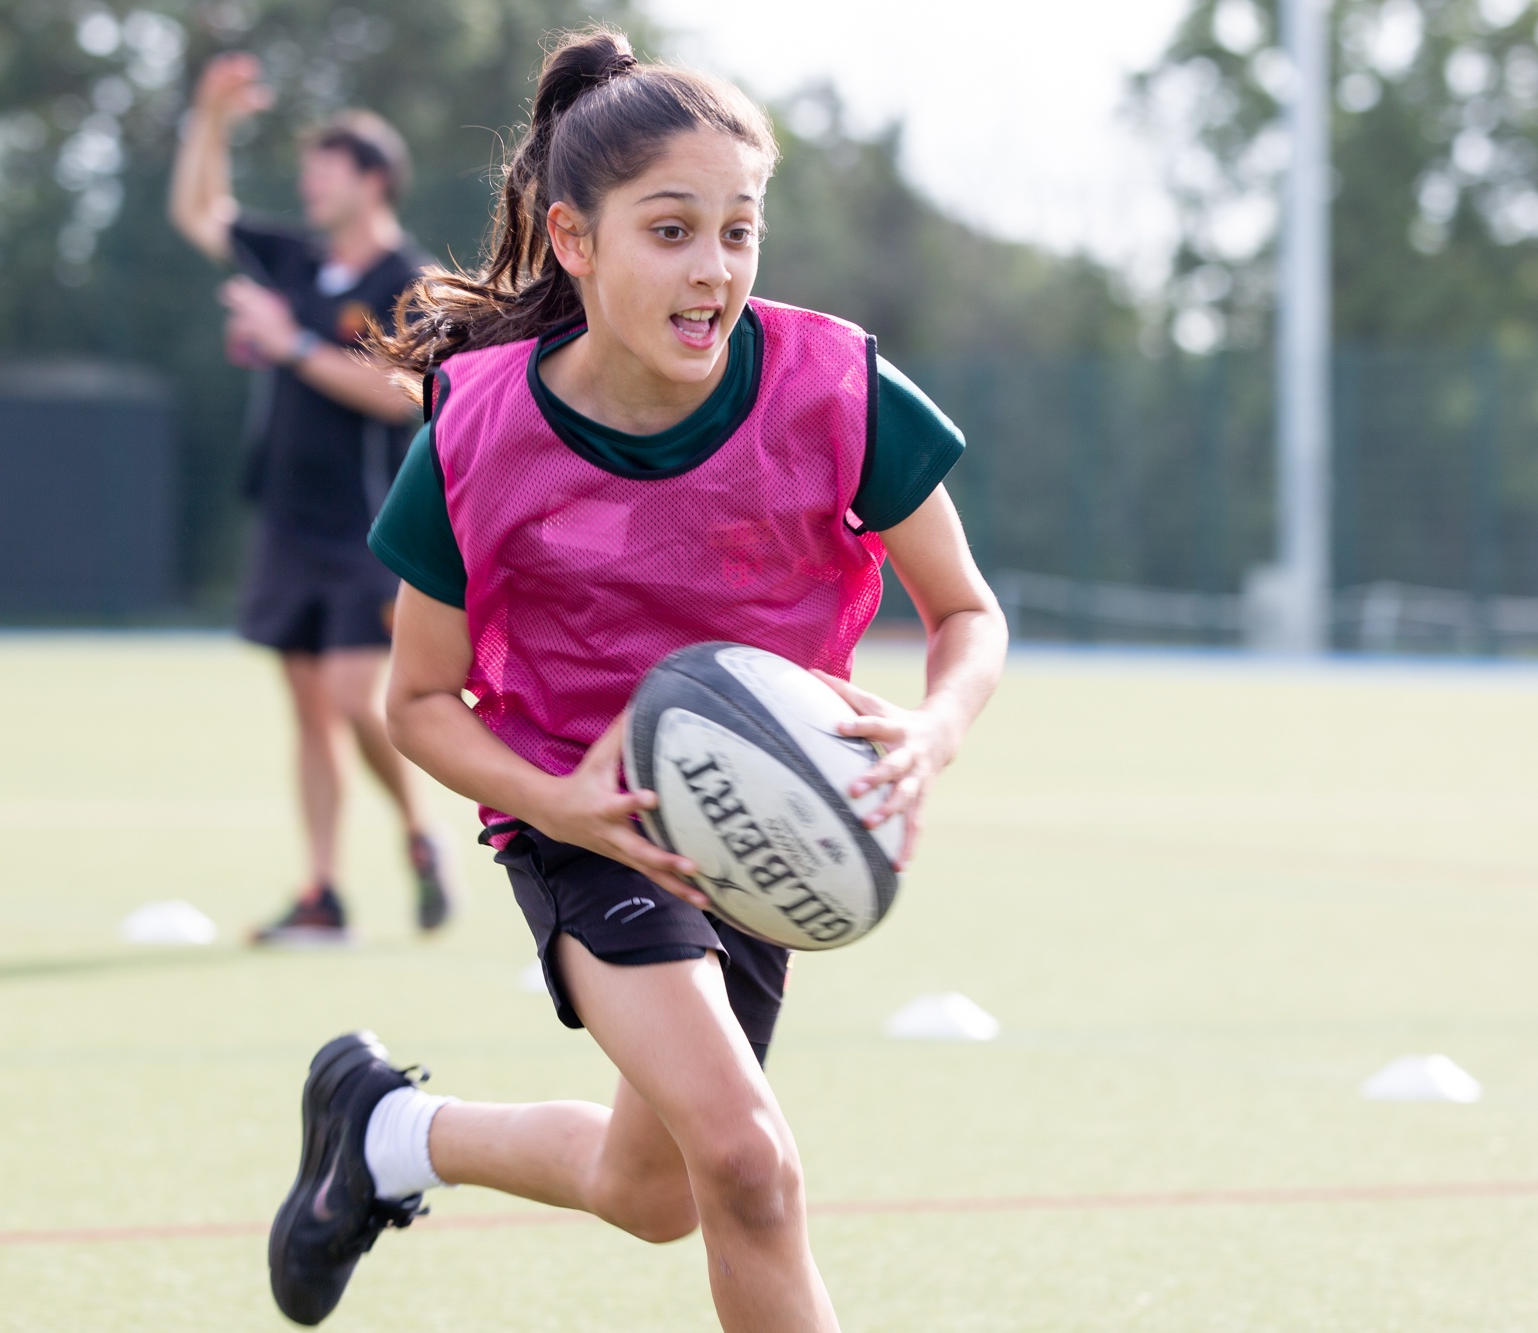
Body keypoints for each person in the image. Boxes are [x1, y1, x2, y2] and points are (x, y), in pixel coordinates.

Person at [263, 28, 1008, 1331]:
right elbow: (418, 703)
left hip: (757, 813)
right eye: (672, 231)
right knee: (749, 1164)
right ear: (573, 238)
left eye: (740, 229)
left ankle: (386, 1134)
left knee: (656, 1188)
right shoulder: (477, 432)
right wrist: (553, 809)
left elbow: (967, 612)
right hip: (582, 814)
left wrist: (935, 726)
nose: (713, 268)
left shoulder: (835, 384)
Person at [168, 53, 454, 944]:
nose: (307, 185)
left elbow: (400, 393)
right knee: (308, 705)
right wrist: (209, 117)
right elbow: (196, 212)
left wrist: (289, 344)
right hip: (286, 518)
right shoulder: (295, 256)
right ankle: (323, 892)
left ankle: (417, 833)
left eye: (324, 171)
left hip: (366, 528)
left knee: (350, 697)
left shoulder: (410, 281)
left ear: (372, 181)